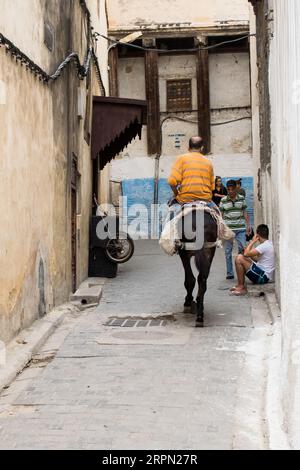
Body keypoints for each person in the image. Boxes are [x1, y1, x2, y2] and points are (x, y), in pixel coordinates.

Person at [168, 136, 215, 209]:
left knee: (170, 212)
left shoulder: (181, 159)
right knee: (217, 215)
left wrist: (176, 194)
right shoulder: (208, 162)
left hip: (185, 199)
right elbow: (212, 188)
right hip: (205, 200)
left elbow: (171, 181)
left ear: (188, 148)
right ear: (202, 148)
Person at [230, 224, 275, 296]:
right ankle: (241, 285)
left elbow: (246, 253)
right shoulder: (268, 244)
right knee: (243, 258)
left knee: (239, 258)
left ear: (257, 235)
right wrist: (248, 257)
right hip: (263, 274)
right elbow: (257, 259)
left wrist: (253, 241)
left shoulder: (263, 246)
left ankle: (241, 287)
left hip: (263, 277)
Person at [220, 180, 251, 280]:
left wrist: (248, 225)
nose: (231, 191)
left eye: (232, 189)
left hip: (241, 228)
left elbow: (245, 212)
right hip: (229, 230)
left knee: (243, 250)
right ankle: (230, 273)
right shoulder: (223, 200)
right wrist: (221, 228)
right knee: (228, 252)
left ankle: (242, 270)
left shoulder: (241, 199)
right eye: (229, 189)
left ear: (236, 189)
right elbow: (221, 215)